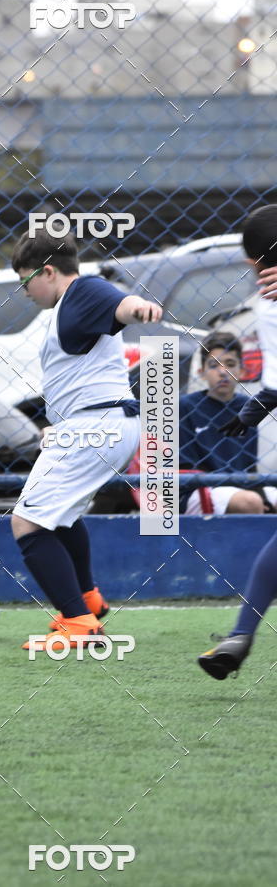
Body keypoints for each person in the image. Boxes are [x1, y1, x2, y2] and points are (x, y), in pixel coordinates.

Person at [10, 229, 162, 652]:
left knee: (27, 523)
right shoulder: (69, 306)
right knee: (62, 515)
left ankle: (79, 622)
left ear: (48, 271)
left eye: (26, 281)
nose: (24, 291)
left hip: (96, 427)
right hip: (99, 425)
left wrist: (140, 309)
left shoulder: (81, 291)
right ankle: (88, 600)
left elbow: (120, 304)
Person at [199, 204, 277, 679]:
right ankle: (242, 631)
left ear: (251, 264)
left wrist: (248, 415)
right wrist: (247, 417)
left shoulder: (268, 307)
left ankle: (243, 631)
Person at [180, 330, 277, 515]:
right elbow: (185, 467)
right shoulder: (185, 406)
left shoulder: (248, 407)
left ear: (241, 371)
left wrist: (258, 491)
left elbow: (248, 466)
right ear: (201, 372)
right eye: (214, 365)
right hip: (198, 487)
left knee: (259, 499)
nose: (223, 372)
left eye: (230, 364)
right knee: (250, 502)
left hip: (241, 485)